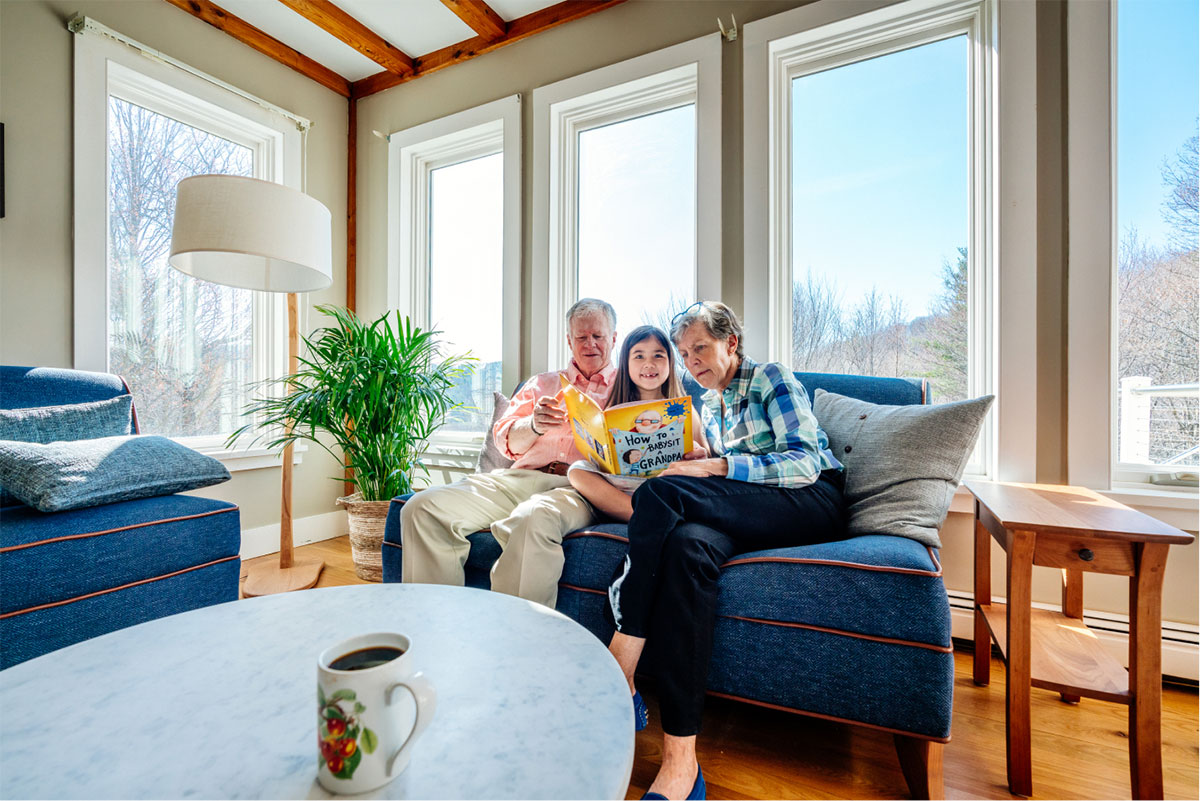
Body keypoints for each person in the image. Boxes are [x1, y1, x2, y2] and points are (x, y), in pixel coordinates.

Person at [608, 302, 846, 801]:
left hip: (808, 500)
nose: (691, 360)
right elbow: (727, 467)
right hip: (753, 511)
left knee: (661, 492)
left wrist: (714, 469)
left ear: (730, 342)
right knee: (687, 549)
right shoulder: (708, 404)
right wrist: (701, 457)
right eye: (685, 352)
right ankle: (681, 762)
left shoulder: (770, 378)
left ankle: (622, 660)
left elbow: (804, 462)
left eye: (700, 348)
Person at [400, 298, 618, 608]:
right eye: (581, 337)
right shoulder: (542, 384)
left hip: (578, 488)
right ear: (569, 340)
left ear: (613, 338)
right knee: (421, 508)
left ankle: (513, 641)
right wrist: (534, 425)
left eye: (598, 336)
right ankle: (435, 622)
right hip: (516, 478)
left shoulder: (629, 386)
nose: (590, 344)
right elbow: (508, 443)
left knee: (532, 519)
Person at [568, 324, 707, 524]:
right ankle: (644, 516)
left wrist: (698, 456)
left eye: (658, 356)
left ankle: (649, 516)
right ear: (626, 364)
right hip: (623, 490)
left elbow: (706, 459)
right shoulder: (614, 410)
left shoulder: (685, 411)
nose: (649, 364)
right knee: (577, 471)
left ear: (670, 362)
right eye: (639, 356)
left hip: (666, 485)